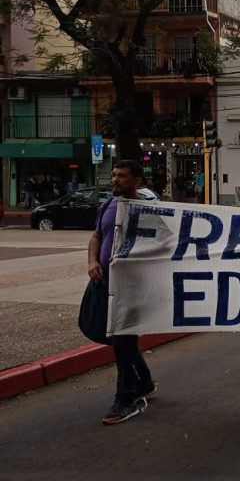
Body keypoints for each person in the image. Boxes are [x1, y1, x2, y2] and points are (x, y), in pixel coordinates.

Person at [87, 160, 155, 424]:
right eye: (114, 175)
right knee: (96, 328)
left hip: (131, 287)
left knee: (123, 339)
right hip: (103, 282)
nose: (115, 180)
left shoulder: (148, 210)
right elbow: (96, 237)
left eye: (122, 176)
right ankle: (145, 381)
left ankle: (126, 399)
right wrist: (93, 261)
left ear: (137, 181)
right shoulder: (107, 205)